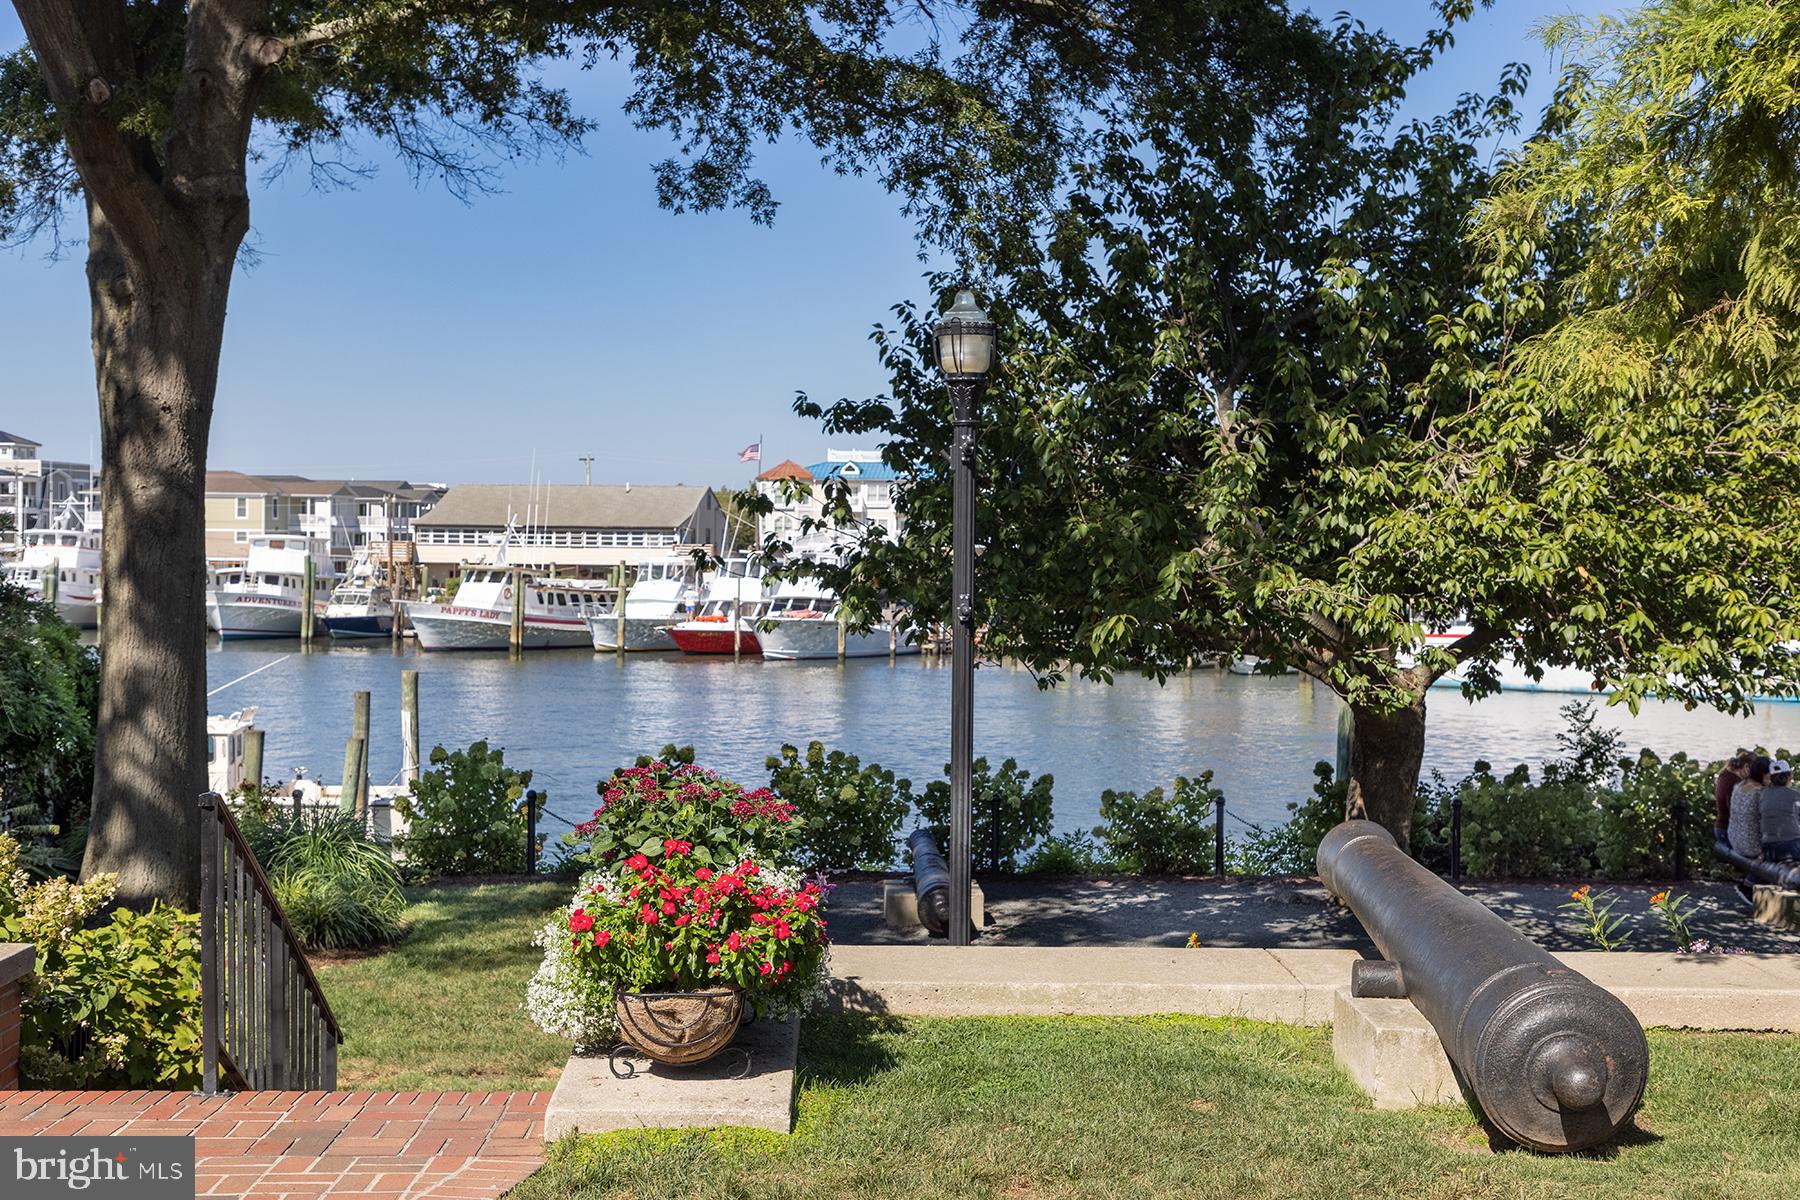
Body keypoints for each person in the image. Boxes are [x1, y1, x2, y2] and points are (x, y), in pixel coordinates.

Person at [1729, 755, 1771, 859]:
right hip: (1752, 848)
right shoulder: (1761, 793)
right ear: (1763, 775)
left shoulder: (1738, 786)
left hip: (1735, 843)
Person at [1760, 759, 1800, 862]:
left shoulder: (1764, 794)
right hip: (1790, 846)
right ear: (1789, 776)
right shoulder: (1794, 795)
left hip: (1767, 847)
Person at [1716, 752, 1751, 840]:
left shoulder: (1725, 774)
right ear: (1746, 767)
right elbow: (1734, 809)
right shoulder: (1735, 782)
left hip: (1721, 827)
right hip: (1727, 829)